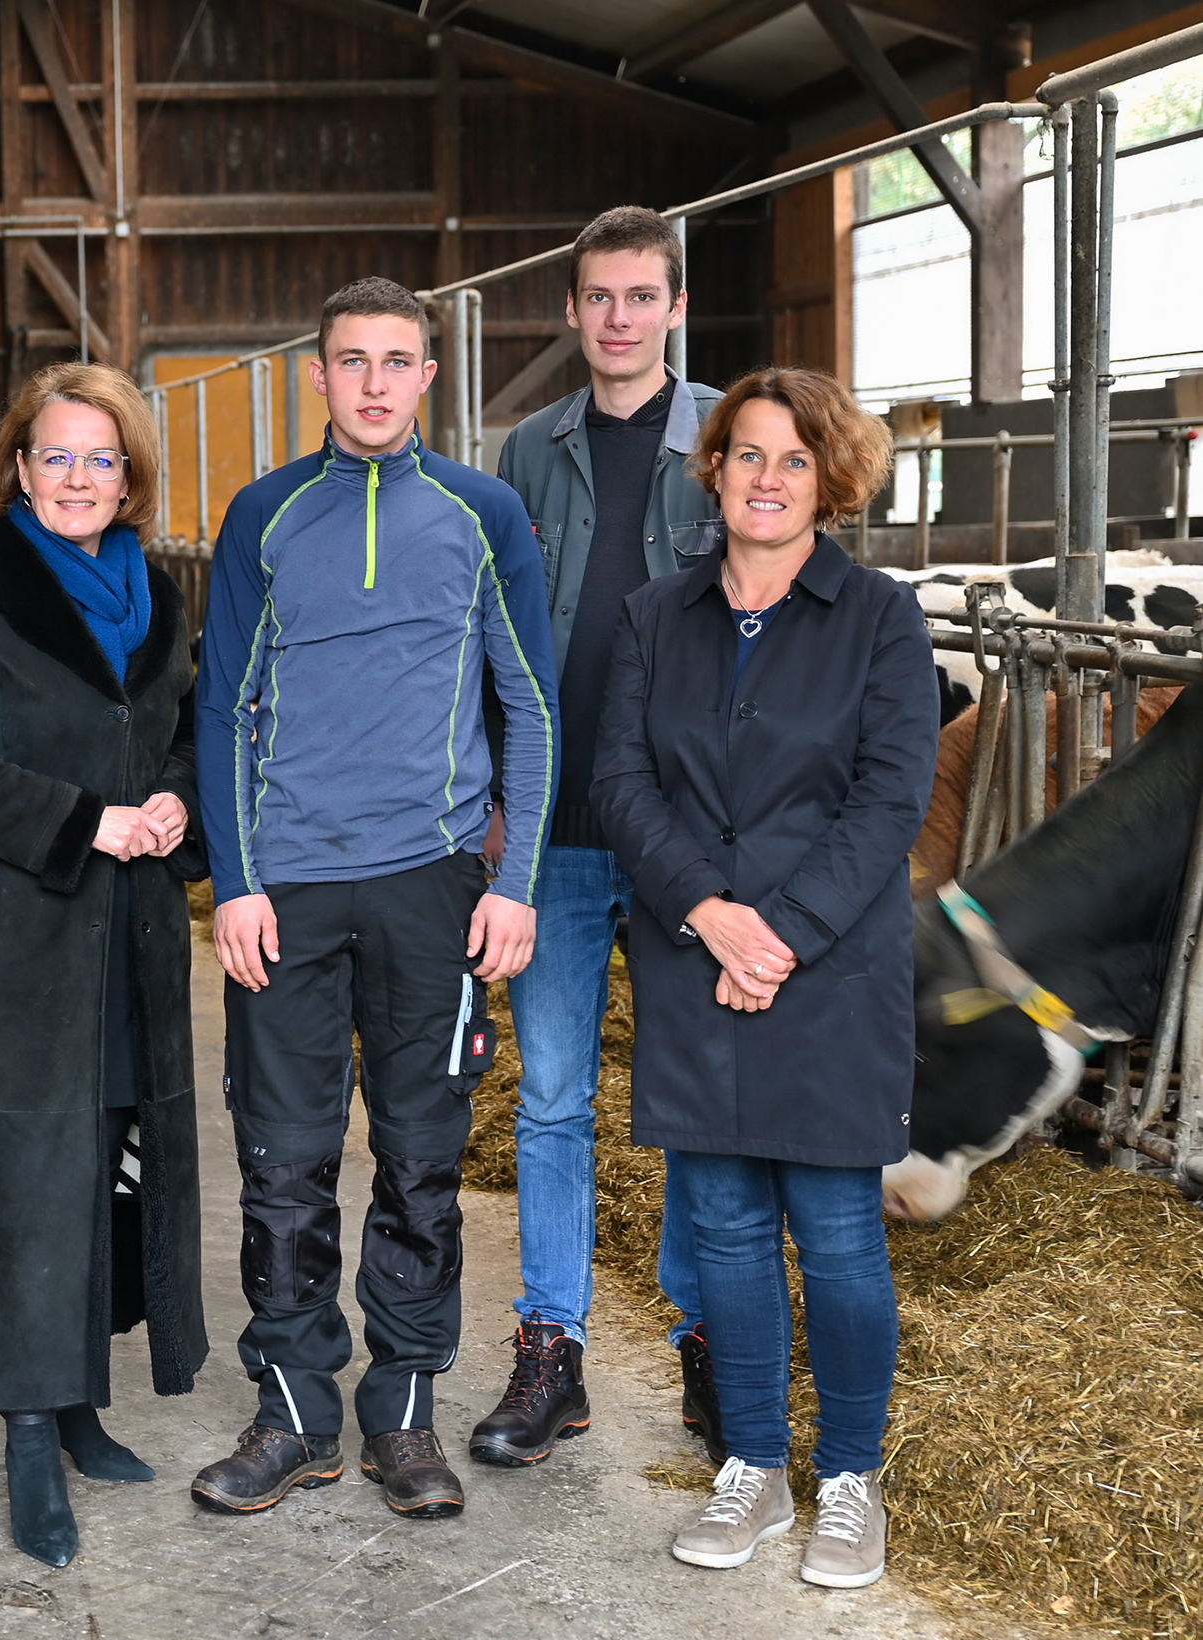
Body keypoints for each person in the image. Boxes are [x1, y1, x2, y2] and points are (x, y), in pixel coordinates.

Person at [192, 277, 557, 1521]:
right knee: (282, 1160)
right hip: (287, 888)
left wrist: (512, 883)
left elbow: (532, 708)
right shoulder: (260, 513)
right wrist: (233, 883)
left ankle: (401, 1409)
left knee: (419, 1161)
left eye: (397, 361)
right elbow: (221, 709)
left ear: (426, 374)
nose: (375, 383)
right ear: (318, 376)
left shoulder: (483, 510)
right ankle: (293, 1408)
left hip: (432, 887)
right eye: (351, 361)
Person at [594, 366, 934, 1590]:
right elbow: (623, 783)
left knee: (839, 1235)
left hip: (827, 969)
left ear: (828, 478)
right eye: (748, 454)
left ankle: (847, 1476)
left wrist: (775, 934)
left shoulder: (881, 616)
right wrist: (709, 911)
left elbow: (889, 797)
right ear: (715, 466)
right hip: (697, 959)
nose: (768, 477)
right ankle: (751, 1465)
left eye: (794, 459)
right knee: (727, 1232)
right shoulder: (653, 614)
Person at [0, 362, 209, 1568]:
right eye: (56, 456)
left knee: (108, 1162)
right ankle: (28, 1431)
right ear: (17, 469)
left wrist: (175, 804)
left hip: (128, 941)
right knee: (27, 1174)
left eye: (102, 459)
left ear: (130, 478)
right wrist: (90, 821)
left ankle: (80, 1398)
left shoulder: (160, 600)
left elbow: (181, 731)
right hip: (20, 940)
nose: (79, 478)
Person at [485, 205, 721, 1468]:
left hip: (688, 835)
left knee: (690, 1097)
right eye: (599, 297)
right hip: (557, 833)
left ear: (674, 308)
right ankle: (551, 1351)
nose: (619, 317)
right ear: (572, 312)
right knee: (553, 1100)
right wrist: (489, 806)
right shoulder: (526, 448)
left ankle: (705, 1340)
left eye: (642, 295)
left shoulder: (736, 433)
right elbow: (492, 629)